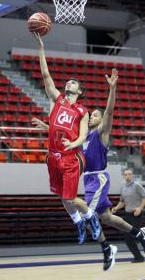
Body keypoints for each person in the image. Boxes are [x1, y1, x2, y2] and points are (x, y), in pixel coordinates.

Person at [32, 69, 145, 271]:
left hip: (98, 178)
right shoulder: (83, 136)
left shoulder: (101, 133)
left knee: (90, 214)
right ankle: (139, 234)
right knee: (107, 218)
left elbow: (110, 112)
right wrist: (46, 126)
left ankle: (106, 250)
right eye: (92, 114)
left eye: (96, 114)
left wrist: (112, 89)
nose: (92, 115)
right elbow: (61, 131)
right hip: (87, 179)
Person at [33, 33, 101, 246]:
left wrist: (75, 143)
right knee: (63, 198)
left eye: (74, 82)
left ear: (79, 91)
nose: (69, 82)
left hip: (71, 156)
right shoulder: (57, 99)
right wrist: (41, 48)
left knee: (71, 198)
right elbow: (45, 75)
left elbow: (82, 133)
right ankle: (78, 221)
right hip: (52, 157)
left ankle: (91, 216)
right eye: (68, 81)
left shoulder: (82, 110)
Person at [112, 168, 145, 263]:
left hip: (136, 214)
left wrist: (140, 208)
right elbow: (122, 202)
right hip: (127, 215)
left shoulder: (137, 185)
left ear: (132, 175)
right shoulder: (123, 187)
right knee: (127, 239)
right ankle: (138, 257)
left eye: (129, 174)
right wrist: (116, 208)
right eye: (126, 174)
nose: (128, 176)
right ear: (123, 176)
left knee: (134, 235)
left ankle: (144, 232)